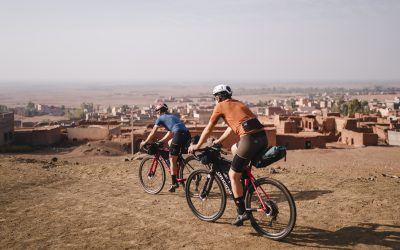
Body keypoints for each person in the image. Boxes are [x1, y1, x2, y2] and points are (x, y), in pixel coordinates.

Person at [188, 84, 268, 226]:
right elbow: (231, 128)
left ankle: (241, 212)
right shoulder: (238, 104)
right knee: (233, 148)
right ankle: (244, 179)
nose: (215, 100)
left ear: (218, 97)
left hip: (249, 140)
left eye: (215, 97)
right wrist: (218, 141)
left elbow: (208, 129)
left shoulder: (220, 106)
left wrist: (197, 146)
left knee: (232, 174)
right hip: (262, 138)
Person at [140, 103, 191, 192]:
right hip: (187, 134)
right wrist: (160, 141)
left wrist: (145, 142)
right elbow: (170, 133)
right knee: (170, 142)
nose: (157, 114)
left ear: (159, 111)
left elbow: (153, 132)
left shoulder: (160, 118)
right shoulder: (172, 117)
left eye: (156, 112)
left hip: (179, 134)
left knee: (171, 158)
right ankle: (179, 167)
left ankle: (174, 183)